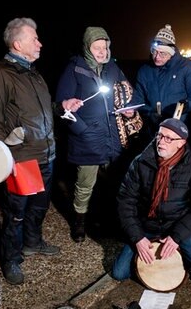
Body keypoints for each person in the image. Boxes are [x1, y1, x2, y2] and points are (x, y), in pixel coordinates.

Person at [0, 17, 60, 285]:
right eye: (34, 38)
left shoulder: (33, 72)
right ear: (17, 43)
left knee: (40, 206)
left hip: (46, 154)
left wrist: (61, 107)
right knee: (15, 213)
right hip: (22, 159)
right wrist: (5, 156)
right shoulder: (2, 75)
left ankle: (33, 242)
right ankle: (11, 259)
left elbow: (40, 111)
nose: (40, 43)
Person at [55, 26, 138, 243]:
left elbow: (125, 93)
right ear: (87, 47)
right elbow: (60, 106)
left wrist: (129, 108)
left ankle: (109, 220)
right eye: (97, 47)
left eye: (105, 47)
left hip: (112, 137)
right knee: (84, 185)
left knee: (113, 181)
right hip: (87, 140)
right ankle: (79, 223)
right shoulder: (75, 68)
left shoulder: (113, 68)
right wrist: (82, 130)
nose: (102, 52)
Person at [111, 118, 191, 283]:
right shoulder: (141, 162)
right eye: (159, 136)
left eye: (168, 138)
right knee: (119, 273)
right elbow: (125, 201)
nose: (161, 142)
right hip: (146, 225)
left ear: (181, 143)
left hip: (176, 224)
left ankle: (184, 251)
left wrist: (177, 236)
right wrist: (137, 237)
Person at [132, 24, 191, 164]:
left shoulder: (186, 66)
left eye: (162, 53)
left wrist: (185, 106)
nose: (157, 57)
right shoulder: (144, 70)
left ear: (171, 52)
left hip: (184, 126)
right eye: (154, 52)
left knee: (190, 165)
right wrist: (148, 113)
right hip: (154, 128)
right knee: (156, 165)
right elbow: (138, 98)